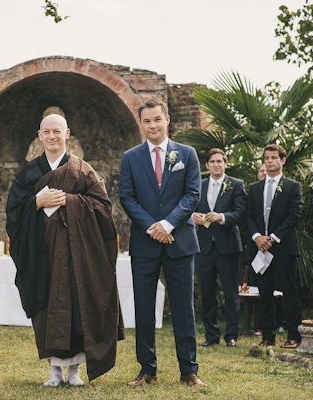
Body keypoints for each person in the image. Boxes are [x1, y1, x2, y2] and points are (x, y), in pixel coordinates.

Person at [6, 113, 124, 386]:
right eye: (47, 132)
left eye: (57, 131)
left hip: (76, 252)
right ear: (40, 135)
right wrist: (36, 201)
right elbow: (12, 212)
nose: (52, 136)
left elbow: (103, 208)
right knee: (47, 307)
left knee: (76, 306)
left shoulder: (83, 170)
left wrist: (69, 200)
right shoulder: (28, 173)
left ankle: (74, 373)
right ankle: (55, 372)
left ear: (67, 133)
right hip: (41, 252)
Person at [119, 98, 206, 386]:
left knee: (183, 308)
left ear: (167, 120)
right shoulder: (130, 157)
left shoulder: (188, 154)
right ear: (141, 123)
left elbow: (192, 195)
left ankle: (189, 370)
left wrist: (168, 224)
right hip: (145, 244)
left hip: (179, 241)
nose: (152, 125)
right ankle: (147, 370)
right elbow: (127, 198)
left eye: (157, 119)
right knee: (143, 307)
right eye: (147, 121)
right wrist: (152, 228)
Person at [246, 144, 303, 349]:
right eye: (267, 158)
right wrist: (257, 237)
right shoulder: (254, 188)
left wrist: (273, 238)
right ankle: (268, 336)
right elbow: (249, 215)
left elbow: (294, 216)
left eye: (274, 158)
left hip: (283, 248)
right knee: (265, 293)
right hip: (260, 248)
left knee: (289, 292)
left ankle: (293, 335)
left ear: (282, 160)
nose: (270, 161)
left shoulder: (292, 186)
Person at [192, 148, 246, 347]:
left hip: (229, 247)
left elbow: (241, 214)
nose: (216, 164)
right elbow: (190, 209)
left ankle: (231, 335)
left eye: (219, 161)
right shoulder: (199, 185)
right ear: (207, 165)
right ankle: (211, 336)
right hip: (204, 248)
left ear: (225, 163)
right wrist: (193, 217)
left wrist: (222, 217)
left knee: (231, 293)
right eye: (212, 161)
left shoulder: (236, 185)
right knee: (207, 293)